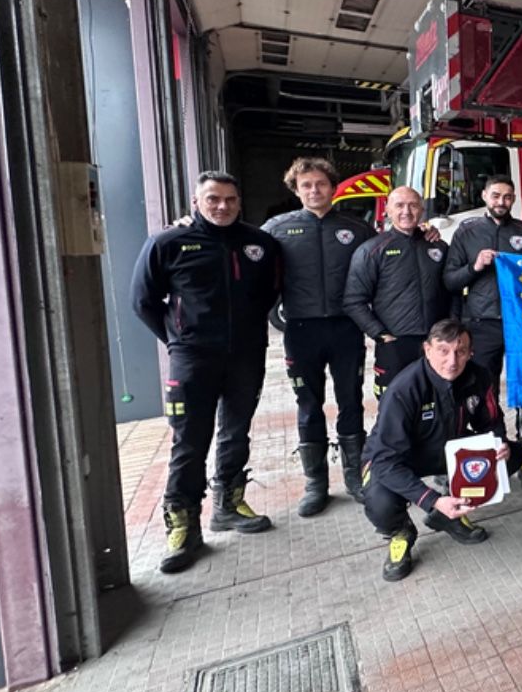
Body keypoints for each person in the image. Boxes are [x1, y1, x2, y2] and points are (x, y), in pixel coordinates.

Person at [130, 170, 280, 572]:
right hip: (193, 358)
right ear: (196, 202)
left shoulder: (259, 244)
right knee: (190, 441)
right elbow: (143, 300)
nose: (222, 206)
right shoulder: (168, 243)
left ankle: (228, 505)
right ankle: (182, 527)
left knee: (236, 430)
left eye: (230, 199)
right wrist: (179, 339)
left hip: (246, 355)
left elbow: (269, 292)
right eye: (213, 199)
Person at [261, 157, 375, 515]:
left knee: (351, 400)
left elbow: (383, 263)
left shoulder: (356, 229)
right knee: (308, 405)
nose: (314, 190)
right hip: (301, 330)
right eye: (306, 185)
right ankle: (316, 483)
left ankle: (355, 475)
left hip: (345, 328)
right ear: (296, 190)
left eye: (321, 184)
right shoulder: (276, 229)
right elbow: (242, 254)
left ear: (333, 187)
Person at [362, 320, 516, 581]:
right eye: (443, 351)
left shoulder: (479, 376)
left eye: (460, 351)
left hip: (447, 448)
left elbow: (490, 423)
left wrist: (498, 444)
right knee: (380, 502)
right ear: (427, 349)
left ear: (470, 353)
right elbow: (385, 460)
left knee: (513, 455)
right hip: (397, 458)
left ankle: (451, 515)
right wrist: (431, 499)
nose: (452, 361)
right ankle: (401, 532)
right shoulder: (404, 388)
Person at [443, 175, 522, 485]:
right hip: (481, 325)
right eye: (496, 195)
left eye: (508, 197)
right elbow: (449, 280)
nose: (501, 201)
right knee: (479, 390)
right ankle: (487, 452)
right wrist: (475, 267)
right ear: (484, 195)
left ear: (514, 199)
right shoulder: (467, 232)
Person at [343, 186, 451, 397]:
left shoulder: (438, 247)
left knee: (438, 402)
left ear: (422, 209)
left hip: (436, 341)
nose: (406, 211)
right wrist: (380, 334)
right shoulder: (371, 250)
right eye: (399, 205)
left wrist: (450, 328)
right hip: (395, 344)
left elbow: (452, 290)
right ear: (388, 211)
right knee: (394, 405)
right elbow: (353, 301)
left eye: (413, 205)